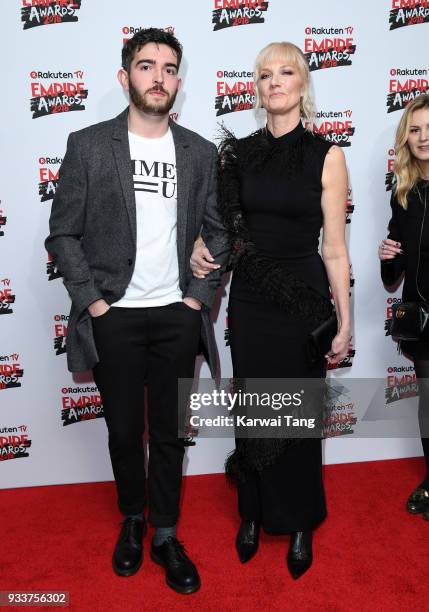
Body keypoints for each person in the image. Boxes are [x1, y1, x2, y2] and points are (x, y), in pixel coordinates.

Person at [46, 28, 228, 594]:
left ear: (178, 80)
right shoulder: (89, 144)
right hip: (114, 316)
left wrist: (198, 298)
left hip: (177, 313)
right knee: (125, 432)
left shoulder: (200, 152)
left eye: (169, 68)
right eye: (146, 66)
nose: (159, 77)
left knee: (170, 433)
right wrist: (94, 302)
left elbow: (220, 233)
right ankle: (132, 519)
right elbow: (63, 235)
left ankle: (166, 533)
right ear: (126, 77)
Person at [191, 41, 350, 578]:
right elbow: (224, 229)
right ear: (256, 89)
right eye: (264, 75)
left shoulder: (327, 155)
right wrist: (200, 245)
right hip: (254, 299)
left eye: (285, 72)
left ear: (303, 84)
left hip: (303, 298)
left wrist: (344, 321)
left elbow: (334, 248)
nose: (274, 81)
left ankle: (301, 519)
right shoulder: (237, 154)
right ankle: (253, 512)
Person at [379, 93, 429, 521]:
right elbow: (392, 277)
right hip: (424, 321)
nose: (423, 137)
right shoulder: (405, 194)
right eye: (415, 130)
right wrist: (387, 254)